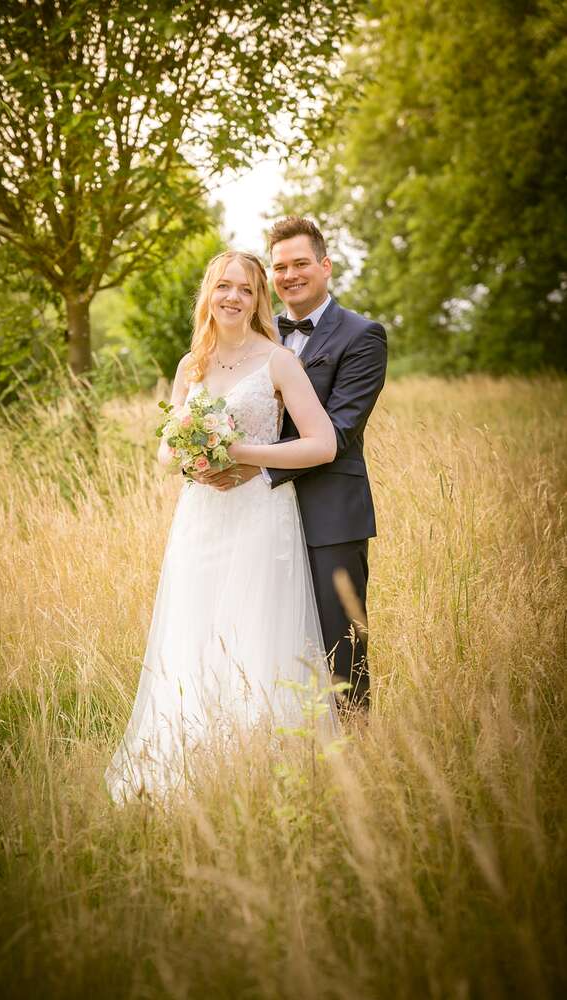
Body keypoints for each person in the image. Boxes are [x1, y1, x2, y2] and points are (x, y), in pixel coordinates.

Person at [105, 250, 339, 802]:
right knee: (197, 631)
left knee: (256, 630)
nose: (233, 297)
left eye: (246, 289)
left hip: (259, 514)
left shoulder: (279, 362)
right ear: (208, 294)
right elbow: (165, 449)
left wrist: (245, 454)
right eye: (223, 287)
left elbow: (323, 444)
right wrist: (196, 458)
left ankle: (265, 775)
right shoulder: (193, 364)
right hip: (201, 517)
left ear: (259, 300)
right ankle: (191, 769)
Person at [197, 218, 387, 709]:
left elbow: (339, 431)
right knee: (260, 637)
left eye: (301, 263)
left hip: (329, 515)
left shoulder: (363, 336)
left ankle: (358, 753)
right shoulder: (253, 332)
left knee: (340, 649)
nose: (290, 275)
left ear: (325, 266)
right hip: (254, 518)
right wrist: (199, 453)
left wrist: (252, 467)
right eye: (279, 267)